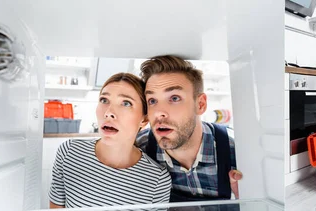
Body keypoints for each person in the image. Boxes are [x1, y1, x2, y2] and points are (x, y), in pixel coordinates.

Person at [49, 73, 172, 208]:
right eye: (104, 100)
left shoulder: (158, 179)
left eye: (126, 103)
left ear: (144, 119)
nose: (108, 112)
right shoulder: (69, 152)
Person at [136, 55, 243, 202]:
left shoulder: (238, 152)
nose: (159, 112)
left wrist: (245, 201)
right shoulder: (138, 150)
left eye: (174, 98)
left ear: (200, 105)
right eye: (152, 101)